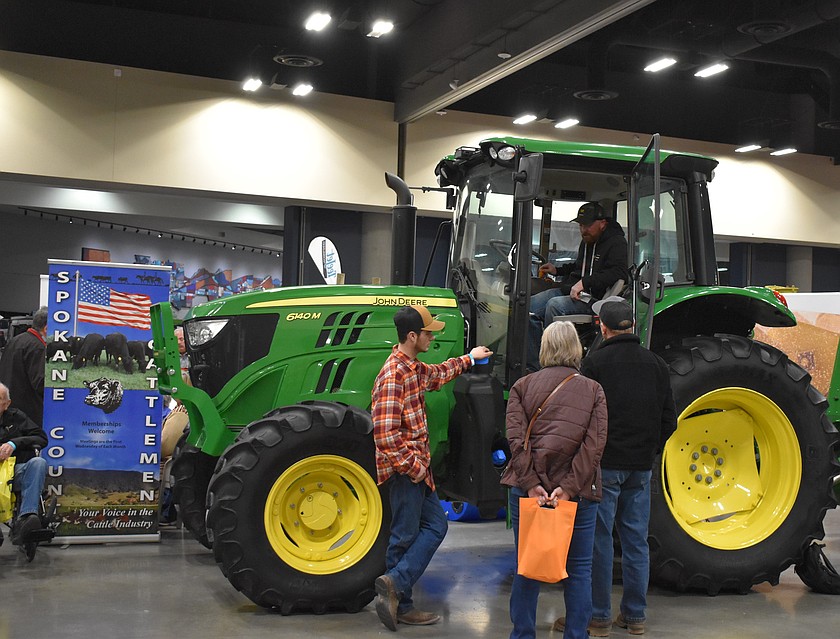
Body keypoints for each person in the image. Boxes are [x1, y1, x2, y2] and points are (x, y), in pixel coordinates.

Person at [555, 297, 676, 637]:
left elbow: (581, 419)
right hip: (641, 467)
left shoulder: (594, 364)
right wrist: (650, 450)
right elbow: (670, 421)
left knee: (600, 540)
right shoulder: (657, 365)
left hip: (603, 467)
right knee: (636, 540)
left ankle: (599, 615)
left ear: (602, 328)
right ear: (633, 327)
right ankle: (635, 615)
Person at [371, 305, 492, 631]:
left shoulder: (412, 368)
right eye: (428, 332)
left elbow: (437, 374)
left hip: (418, 471)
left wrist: (469, 357)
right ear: (412, 336)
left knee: (433, 528)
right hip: (407, 473)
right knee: (404, 537)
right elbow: (385, 436)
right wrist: (413, 469)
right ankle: (398, 593)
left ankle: (397, 592)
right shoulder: (393, 375)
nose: (432, 335)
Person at [501, 321, 608, 639]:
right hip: (577, 497)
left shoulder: (521, 387)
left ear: (544, 348)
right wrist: (569, 488)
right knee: (578, 571)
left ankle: (523, 634)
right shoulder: (593, 390)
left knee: (527, 565)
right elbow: (594, 446)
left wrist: (532, 483)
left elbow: (516, 441)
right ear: (577, 349)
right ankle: (576, 634)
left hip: (527, 494)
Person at [528, 203, 627, 370]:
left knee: (554, 306)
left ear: (602, 223)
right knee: (528, 306)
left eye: (587, 225)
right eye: (581, 225)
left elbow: (619, 273)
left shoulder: (616, 243)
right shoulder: (588, 241)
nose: (583, 230)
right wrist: (557, 270)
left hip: (592, 299)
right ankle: (534, 365)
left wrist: (585, 283)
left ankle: (554, 366)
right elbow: (579, 267)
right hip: (572, 291)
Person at [0, 382, 48, 544]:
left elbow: (41, 438)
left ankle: (26, 519)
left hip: (14, 473)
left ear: (7, 404)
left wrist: (14, 443)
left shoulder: (16, 417)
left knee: (38, 463)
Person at [0, 306, 48, 427]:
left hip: (10, 408)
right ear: (47, 328)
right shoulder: (37, 347)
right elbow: (40, 382)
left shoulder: (15, 340)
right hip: (27, 413)